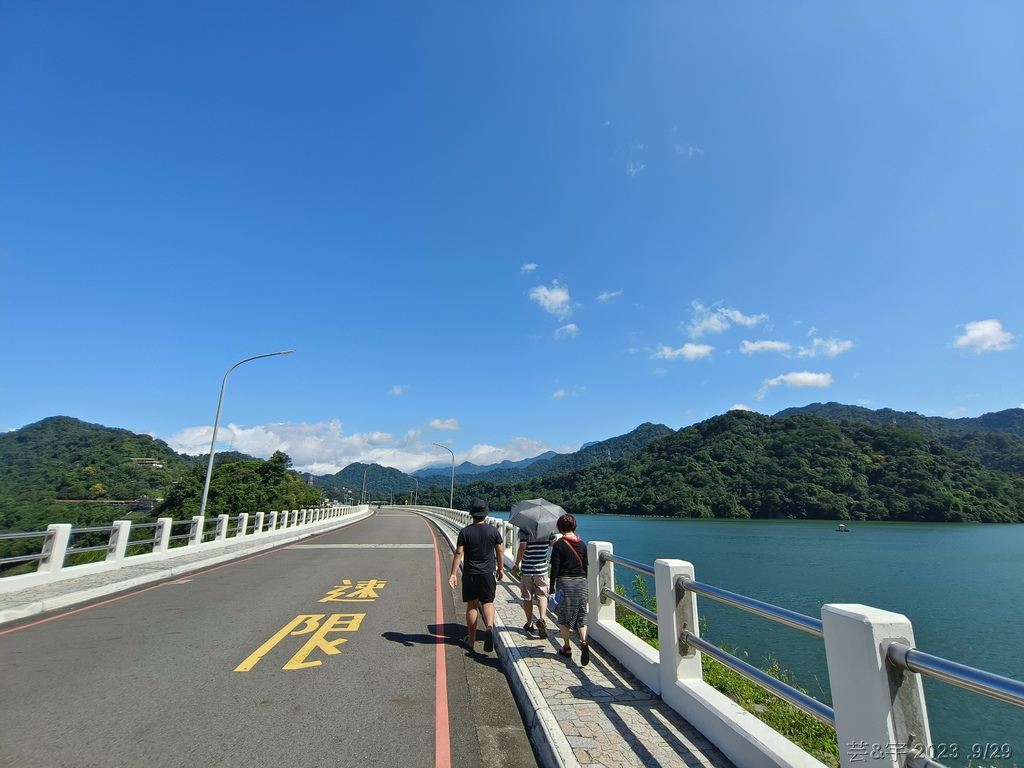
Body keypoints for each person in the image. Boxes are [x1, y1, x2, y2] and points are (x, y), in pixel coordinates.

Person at [448, 498, 504, 653]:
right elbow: (499, 551)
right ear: (485, 514)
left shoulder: (465, 532)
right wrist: (500, 569)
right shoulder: (493, 531)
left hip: (471, 573)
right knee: (487, 602)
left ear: (472, 514)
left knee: (472, 606)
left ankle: (471, 641)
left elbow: (459, 552)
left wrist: (453, 573)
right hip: (487, 574)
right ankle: (489, 628)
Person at [549, 513, 589, 665]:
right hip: (580, 581)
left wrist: (552, 587)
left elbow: (555, 568)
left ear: (560, 527)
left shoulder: (559, 545)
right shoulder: (582, 544)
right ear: (574, 526)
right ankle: (584, 641)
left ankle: (567, 647)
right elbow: (585, 566)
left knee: (564, 615)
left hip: (564, 582)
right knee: (581, 613)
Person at [512, 529, 552, 639]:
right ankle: (542, 619)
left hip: (527, 569)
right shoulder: (547, 529)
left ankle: (529, 623)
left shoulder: (524, 529)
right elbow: (553, 544)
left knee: (527, 597)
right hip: (542, 570)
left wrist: (516, 564)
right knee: (542, 595)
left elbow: (523, 546)